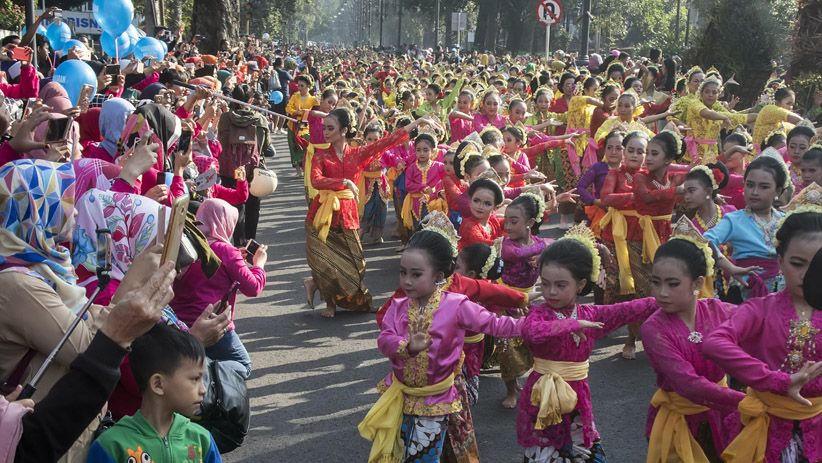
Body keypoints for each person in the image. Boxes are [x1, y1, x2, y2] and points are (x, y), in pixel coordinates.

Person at [359, 230, 524, 463]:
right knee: (401, 451)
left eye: (416, 274)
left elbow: (495, 324)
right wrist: (407, 346)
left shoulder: (456, 306)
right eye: (403, 272)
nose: (407, 280)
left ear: (437, 276)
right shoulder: (397, 306)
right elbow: (385, 339)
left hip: (437, 399)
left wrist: (534, 324)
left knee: (422, 457)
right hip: (401, 397)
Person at [4, 260, 177, 463]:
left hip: (62, 435)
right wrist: (132, 282)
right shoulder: (19, 284)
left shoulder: (61, 274)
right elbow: (89, 349)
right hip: (38, 441)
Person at [516, 224, 658, 462]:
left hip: (578, 398)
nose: (551, 291)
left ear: (580, 285)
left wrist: (658, 301)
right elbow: (532, 332)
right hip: (543, 397)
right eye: (545, 284)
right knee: (546, 451)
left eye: (561, 285)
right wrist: (570, 325)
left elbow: (625, 310)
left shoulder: (589, 315)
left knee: (583, 449)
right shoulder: (539, 314)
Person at [703, 185, 822, 463]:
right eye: (797, 263)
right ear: (780, 261)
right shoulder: (761, 309)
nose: (806, 275)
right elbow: (714, 342)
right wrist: (775, 380)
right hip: (769, 427)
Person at [302, 108, 434, 317]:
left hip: (348, 214)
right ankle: (330, 304)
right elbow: (316, 180)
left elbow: (388, 141)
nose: (325, 132)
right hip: (322, 215)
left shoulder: (357, 153)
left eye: (330, 128)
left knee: (357, 263)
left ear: (344, 130)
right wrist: (344, 182)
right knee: (326, 262)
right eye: (324, 128)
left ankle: (346, 296)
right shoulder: (321, 155)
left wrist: (417, 123)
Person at [641, 219, 743, 462]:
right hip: (682, 423)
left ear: (697, 283)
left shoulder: (718, 310)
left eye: (672, 284)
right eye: (656, 282)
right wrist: (748, 401)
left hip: (725, 417)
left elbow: (762, 322)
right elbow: (689, 384)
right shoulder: (653, 329)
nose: (662, 292)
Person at [86, 324, 223, 463]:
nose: (203, 390)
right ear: (158, 384)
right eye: (195, 379)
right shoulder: (112, 446)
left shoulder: (202, 440)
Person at [171, 198, 267, 379]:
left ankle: (201, 375)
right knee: (243, 365)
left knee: (196, 359)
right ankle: (208, 377)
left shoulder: (185, 242)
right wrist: (259, 265)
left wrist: (235, 257)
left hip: (180, 323)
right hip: (214, 323)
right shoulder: (226, 251)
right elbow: (253, 288)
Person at [496, 193, 551, 409]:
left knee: (536, 343)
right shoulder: (506, 245)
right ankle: (511, 390)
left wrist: (544, 253)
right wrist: (546, 247)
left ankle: (539, 384)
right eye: (506, 221)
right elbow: (518, 254)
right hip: (506, 299)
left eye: (513, 221)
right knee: (507, 348)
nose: (507, 226)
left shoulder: (536, 243)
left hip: (530, 300)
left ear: (530, 222)